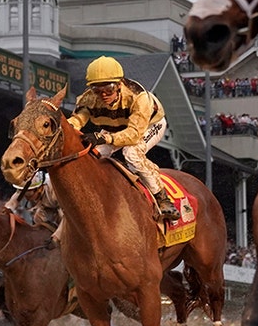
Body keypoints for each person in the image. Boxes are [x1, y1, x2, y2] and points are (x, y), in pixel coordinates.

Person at [67, 56, 179, 221]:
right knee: (91, 155)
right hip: (115, 126)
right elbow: (76, 121)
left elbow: (133, 134)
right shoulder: (88, 98)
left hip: (148, 125)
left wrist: (104, 138)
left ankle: (163, 199)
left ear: (119, 85)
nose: (103, 95)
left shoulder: (138, 97)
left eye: (109, 89)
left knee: (131, 153)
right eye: (97, 90)